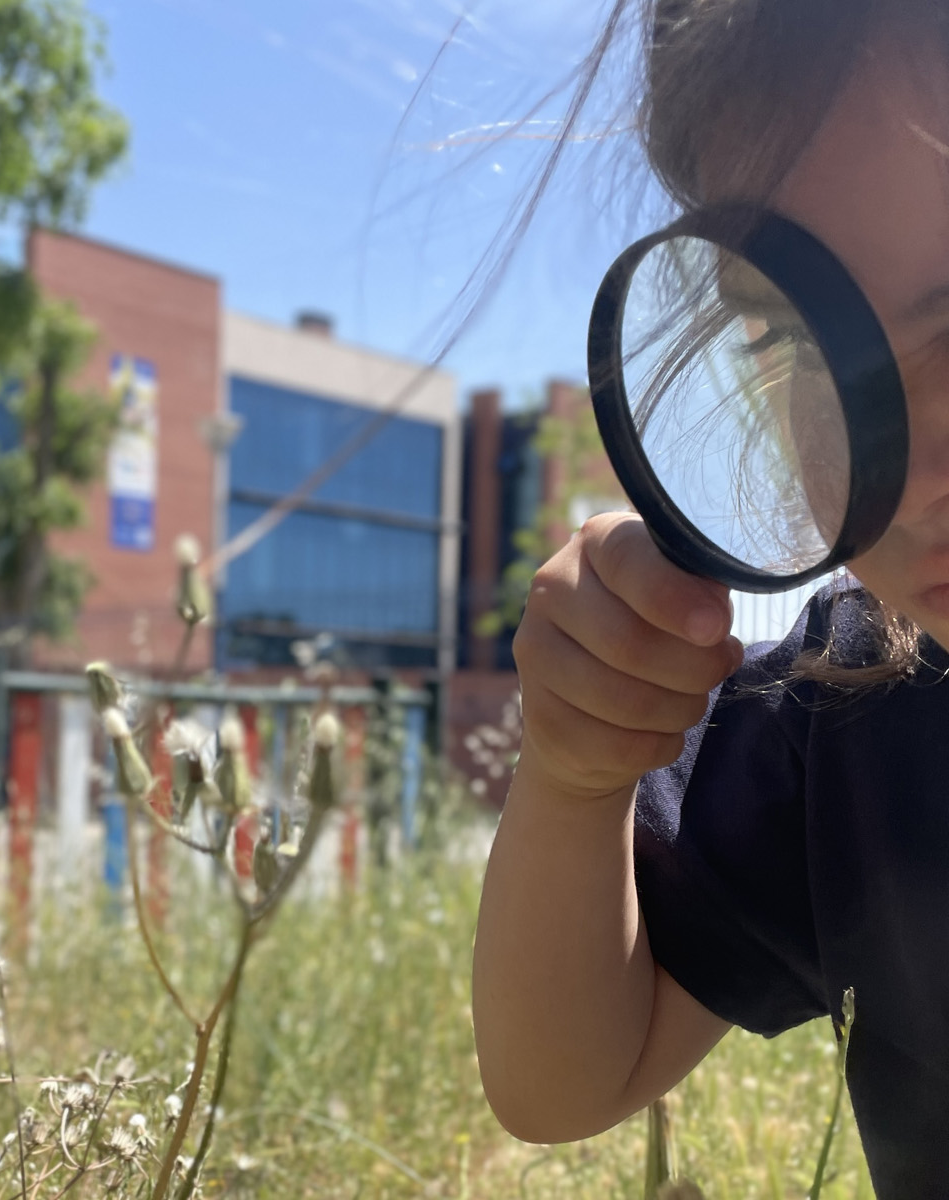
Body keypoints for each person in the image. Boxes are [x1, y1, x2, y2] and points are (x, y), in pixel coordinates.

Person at [470, 1, 949, 1194]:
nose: (917, 476)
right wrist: (576, 778)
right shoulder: (850, 706)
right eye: (791, 343)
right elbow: (562, 1076)